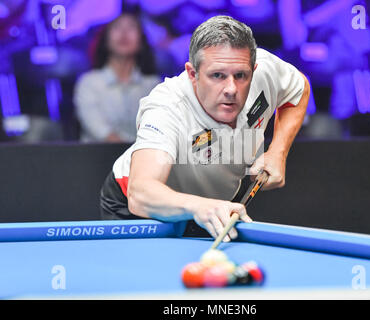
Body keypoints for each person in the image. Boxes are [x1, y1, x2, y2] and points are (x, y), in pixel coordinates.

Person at [100, 15, 310, 242]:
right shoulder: (166, 107)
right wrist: (200, 206)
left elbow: (298, 88)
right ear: (193, 74)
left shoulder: (265, 69)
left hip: (214, 203)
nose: (231, 88)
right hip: (139, 209)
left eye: (241, 76)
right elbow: (141, 192)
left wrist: (278, 152)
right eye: (217, 75)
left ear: (253, 69)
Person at [74, 13, 161, 143]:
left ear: (141, 41)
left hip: (143, 158)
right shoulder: (89, 82)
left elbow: (158, 129)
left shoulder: (153, 85)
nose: (124, 33)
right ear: (105, 40)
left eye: (131, 27)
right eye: (117, 27)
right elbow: (98, 129)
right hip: (97, 157)